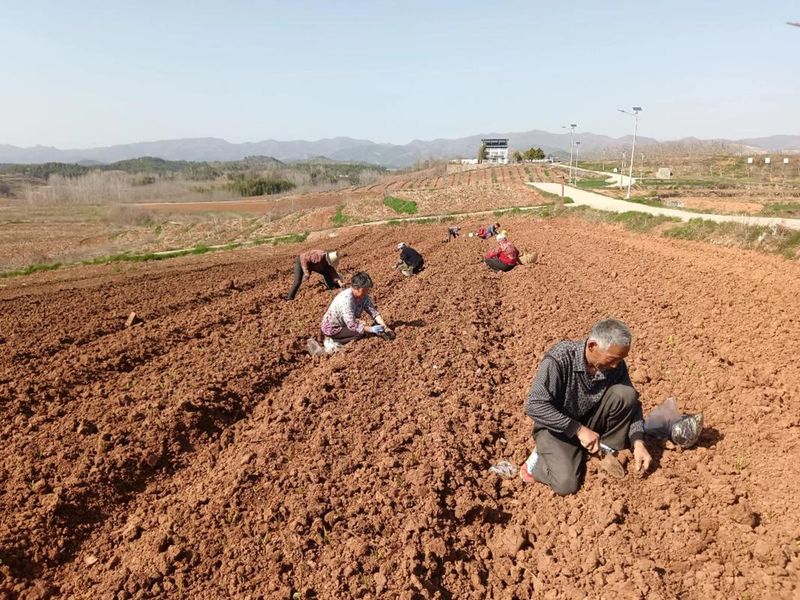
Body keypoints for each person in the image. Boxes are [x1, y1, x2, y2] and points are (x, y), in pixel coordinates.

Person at [520, 319, 652, 495]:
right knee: (566, 484)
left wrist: (638, 441)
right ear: (592, 346)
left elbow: (632, 402)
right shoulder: (560, 358)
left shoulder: (616, 365)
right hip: (556, 427)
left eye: (620, 360)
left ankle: (603, 448)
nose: (615, 365)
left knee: (626, 394)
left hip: (589, 419)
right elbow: (535, 405)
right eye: (612, 359)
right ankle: (537, 462)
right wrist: (578, 429)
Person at [319, 271, 392, 354]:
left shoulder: (363, 296)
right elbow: (352, 325)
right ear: (356, 288)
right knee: (360, 333)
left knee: (363, 329)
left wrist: (385, 327)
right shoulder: (347, 300)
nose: (367, 292)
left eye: (367, 289)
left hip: (344, 323)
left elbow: (373, 311)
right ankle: (333, 341)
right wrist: (371, 329)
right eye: (365, 289)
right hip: (333, 328)